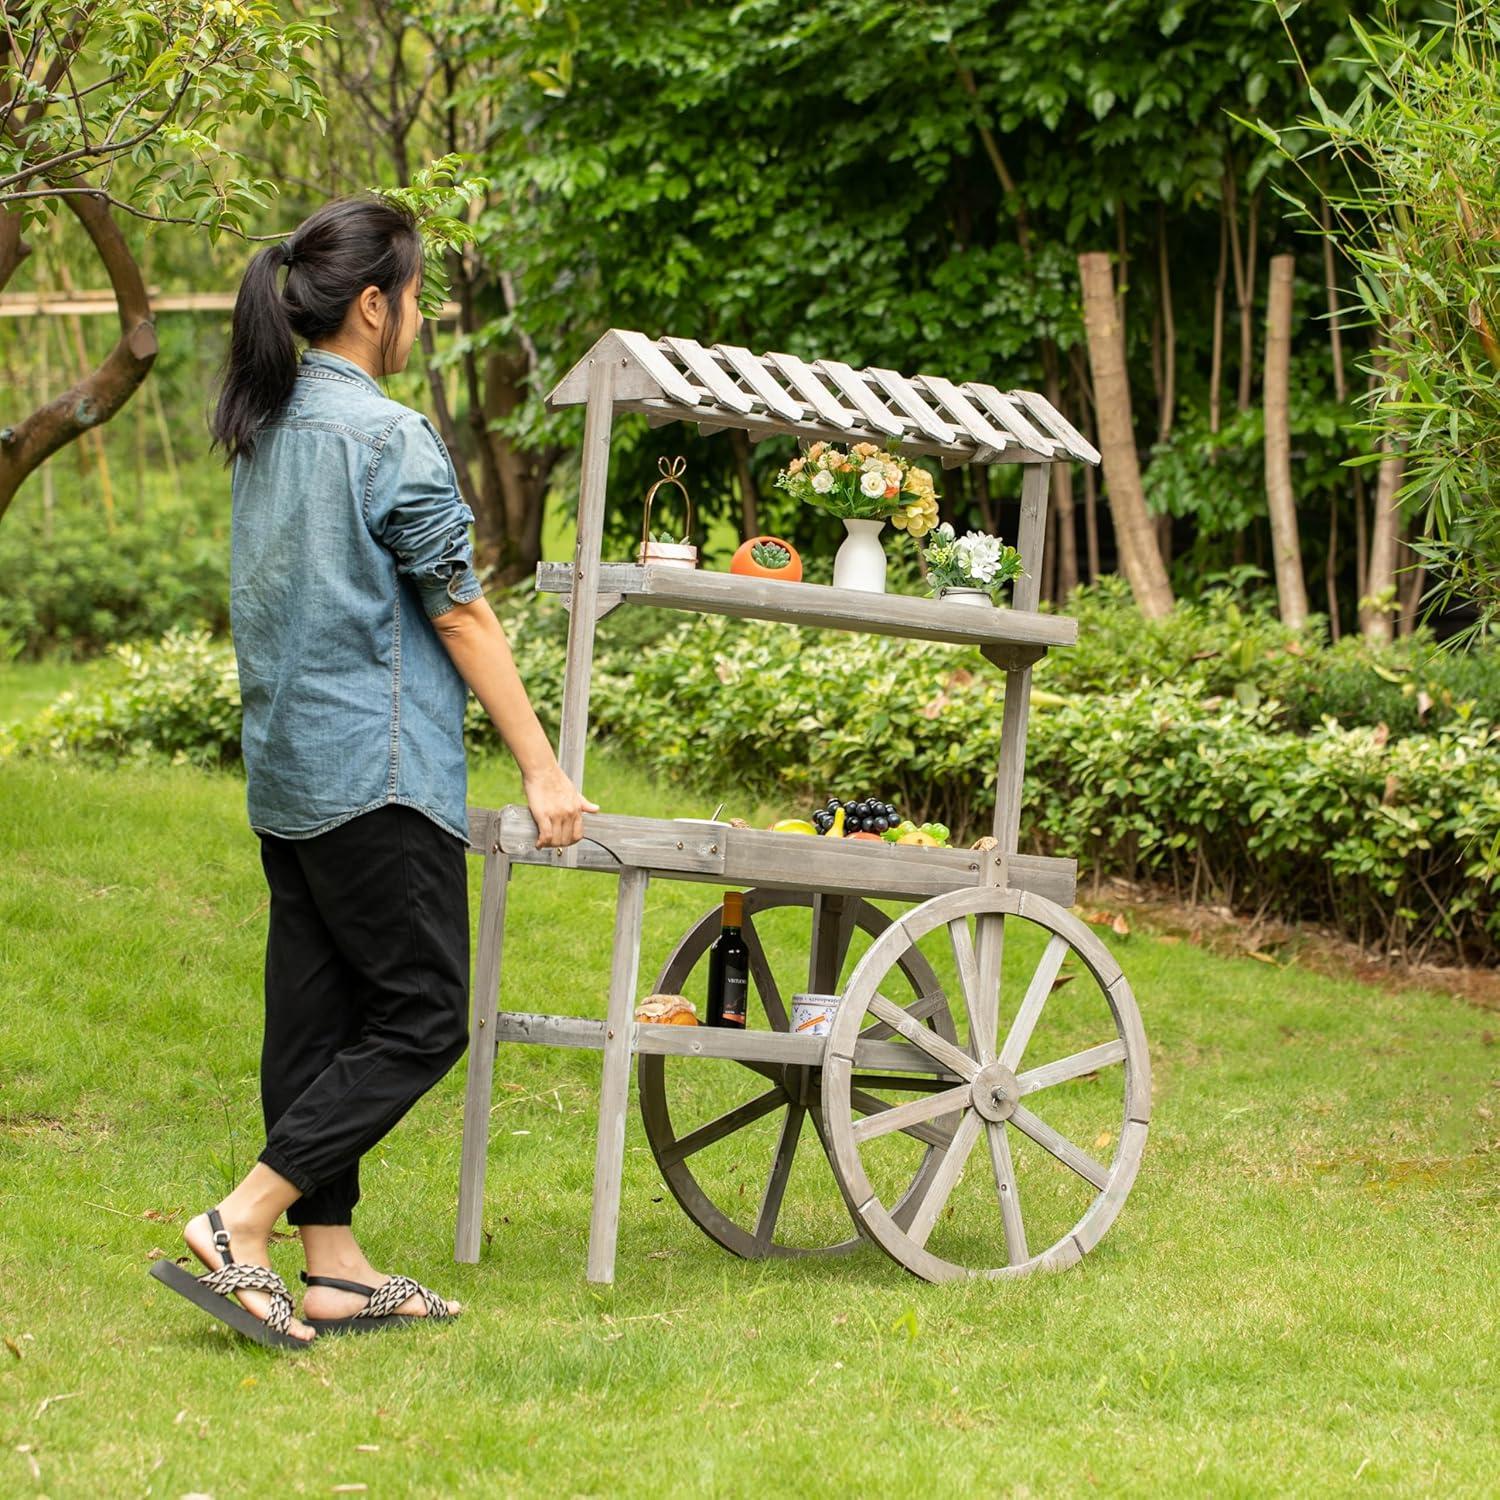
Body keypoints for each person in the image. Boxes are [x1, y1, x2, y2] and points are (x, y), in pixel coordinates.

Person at [149, 197, 595, 1347]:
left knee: (316, 1013)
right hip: (378, 773)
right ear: (372, 304)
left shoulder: (268, 421)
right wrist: (544, 770)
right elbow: (462, 614)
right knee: (425, 1010)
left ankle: (334, 1266)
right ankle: (243, 1216)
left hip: (288, 774)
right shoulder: (386, 434)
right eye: (415, 296)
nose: (421, 317)